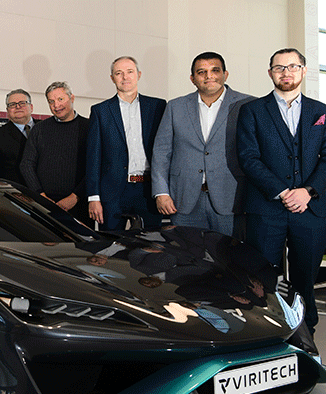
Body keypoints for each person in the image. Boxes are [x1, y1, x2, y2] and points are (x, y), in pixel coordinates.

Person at [237, 48, 326, 336]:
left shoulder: (321, 111)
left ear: (303, 70)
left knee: (305, 281)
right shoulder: (251, 110)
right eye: (279, 67)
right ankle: (267, 336)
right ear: (270, 72)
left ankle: (305, 337)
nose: (286, 72)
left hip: (310, 210)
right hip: (266, 209)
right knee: (262, 280)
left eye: (292, 66)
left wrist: (307, 191)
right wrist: (284, 191)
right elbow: (248, 157)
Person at [151, 52, 253, 237]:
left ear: (225, 74)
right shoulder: (175, 107)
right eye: (201, 72)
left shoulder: (247, 104)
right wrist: (161, 193)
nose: (209, 76)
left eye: (215, 70)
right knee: (187, 260)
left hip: (231, 199)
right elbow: (161, 152)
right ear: (192, 78)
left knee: (229, 260)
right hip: (183, 200)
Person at [86, 56, 166, 230]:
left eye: (129, 72)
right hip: (113, 192)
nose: (125, 77)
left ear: (138, 74)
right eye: (119, 73)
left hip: (149, 190)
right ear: (112, 78)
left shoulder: (158, 107)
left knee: (152, 247)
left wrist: (165, 191)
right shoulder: (100, 111)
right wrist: (93, 197)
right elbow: (93, 158)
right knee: (113, 248)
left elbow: (167, 150)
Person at [20, 81, 91, 226]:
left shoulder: (89, 127)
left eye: (60, 99)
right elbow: (26, 164)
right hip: (44, 206)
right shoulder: (39, 129)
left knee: (81, 248)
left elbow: (95, 167)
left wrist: (75, 197)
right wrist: (41, 196)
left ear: (72, 98)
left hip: (80, 205)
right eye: (51, 101)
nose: (56, 106)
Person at [0, 89, 35, 185]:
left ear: (31, 107)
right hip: (16, 195)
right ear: (7, 111)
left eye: (22, 103)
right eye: (12, 104)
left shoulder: (47, 129)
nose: (18, 107)